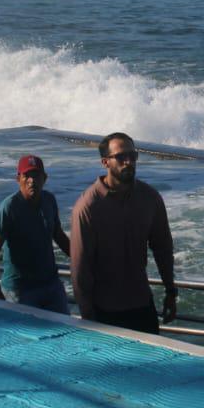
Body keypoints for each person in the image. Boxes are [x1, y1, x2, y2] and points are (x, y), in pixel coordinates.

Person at [70, 133, 177, 333]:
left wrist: (171, 291)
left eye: (133, 156)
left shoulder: (150, 198)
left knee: (150, 363)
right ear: (105, 162)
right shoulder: (88, 207)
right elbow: (80, 268)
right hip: (104, 311)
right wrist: (88, 318)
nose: (128, 162)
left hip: (142, 305)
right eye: (121, 157)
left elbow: (163, 248)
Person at [0, 154, 72, 313]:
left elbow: (58, 235)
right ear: (18, 178)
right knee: (27, 336)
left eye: (37, 175)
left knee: (65, 329)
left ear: (44, 178)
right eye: (27, 176)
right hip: (20, 290)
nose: (32, 180)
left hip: (51, 285)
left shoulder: (49, 200)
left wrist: (82, 259)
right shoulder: (9, 207)